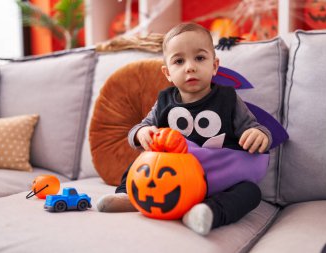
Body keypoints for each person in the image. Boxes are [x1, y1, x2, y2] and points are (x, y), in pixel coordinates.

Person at [96, 22, 272, 236]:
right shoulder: (163, 102)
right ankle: (130, 196)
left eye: (199, 58)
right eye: (179, 61)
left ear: (214, 66)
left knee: (251, 192)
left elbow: (253, 127)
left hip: (216, 178)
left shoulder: (228, 99)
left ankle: (207, 212)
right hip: (173, 179)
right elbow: (141, 127)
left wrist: (258, 134)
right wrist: (142, 133)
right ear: (167, 72)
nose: (190, 67)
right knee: (141, 162)